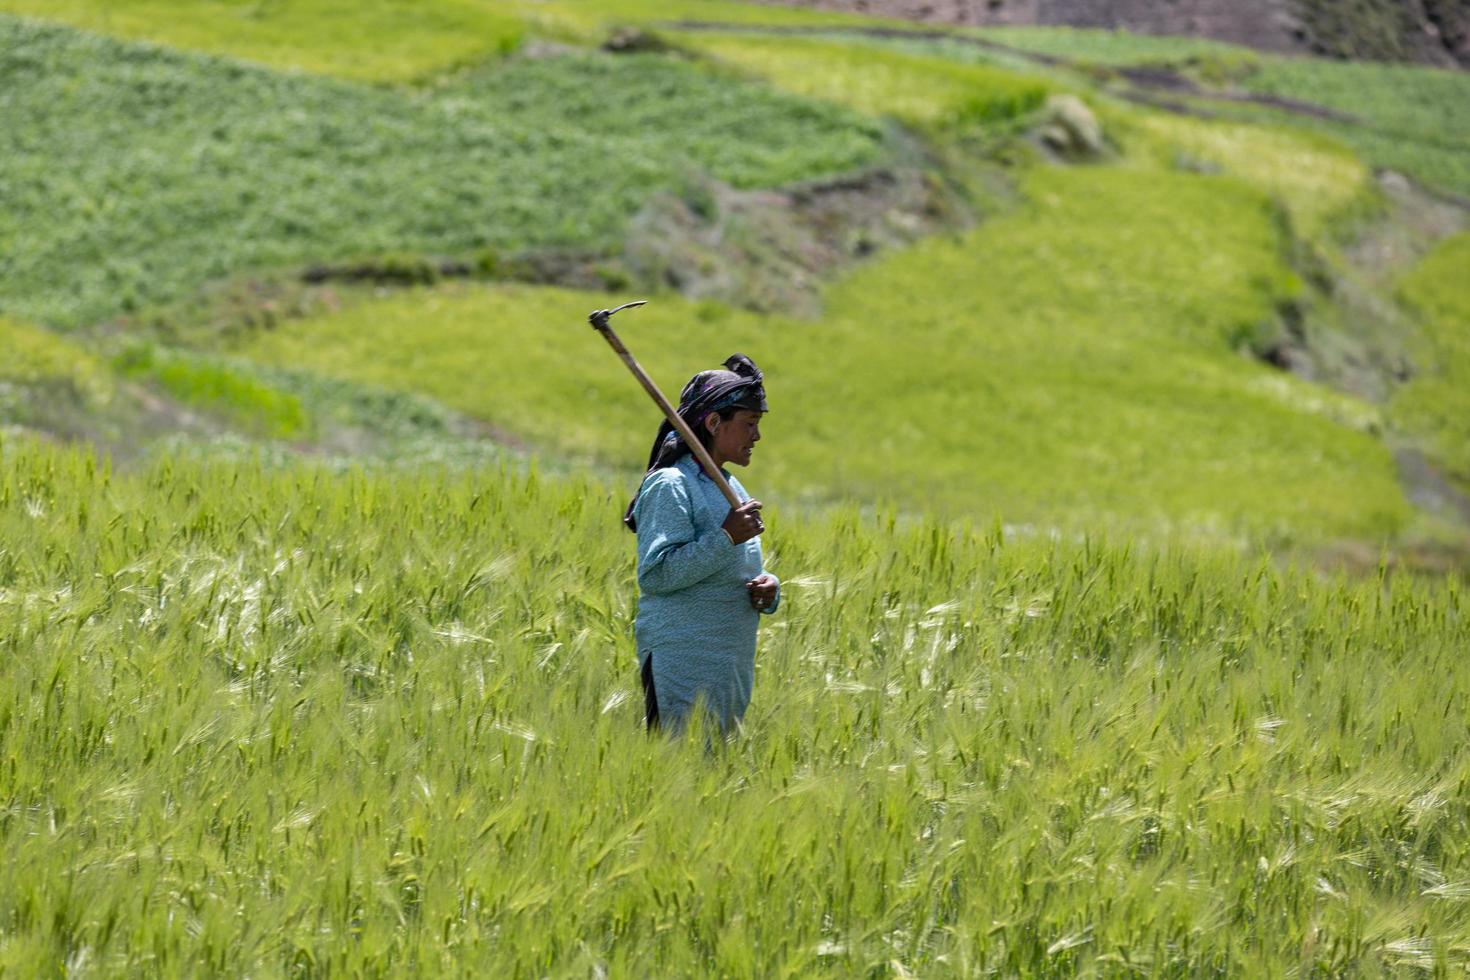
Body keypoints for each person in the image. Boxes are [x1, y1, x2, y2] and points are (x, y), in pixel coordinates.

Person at [625, 354, 781, 736]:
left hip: (728, 667)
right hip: (682, 664)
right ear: (714, 423)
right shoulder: (671, 485)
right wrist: (726, 537)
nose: (756, 436)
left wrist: (768, 587)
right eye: (749, 424)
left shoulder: (729, 486)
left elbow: (732, 567)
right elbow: (658, 575)